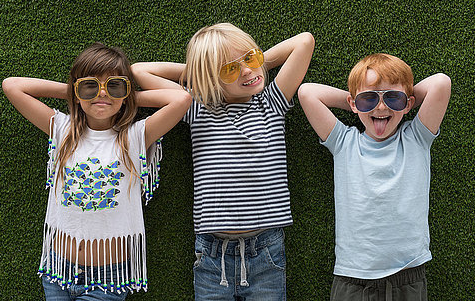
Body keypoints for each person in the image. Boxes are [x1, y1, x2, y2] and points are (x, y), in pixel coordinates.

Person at [131, 23, 314, 301]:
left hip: (266, 248)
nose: (247, 71)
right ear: (210, 79)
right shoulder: (196, 107)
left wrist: (253, 61)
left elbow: (304, 41)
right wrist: (203, 73)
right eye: (230, 69)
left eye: (250, 59)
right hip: (211, 253)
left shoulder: (272, 102)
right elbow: (139, 71)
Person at [2, 43, 192, 300]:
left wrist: (125, 97)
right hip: (59, 271)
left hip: (109, 278)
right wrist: (76, 94)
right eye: (90, 85)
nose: (102, 94)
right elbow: (12, 85)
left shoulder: (135, 136)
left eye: (114, 85)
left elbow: (181, 99)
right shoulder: (62, 129)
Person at [297, 53, 451, 301]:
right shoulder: (343, 142)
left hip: (407, 274)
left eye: (393, 98)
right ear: (354, 103)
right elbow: (307, 93)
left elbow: (441, 83)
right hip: (353, 278)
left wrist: (399, 100)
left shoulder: (416, 139)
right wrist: (359, 103)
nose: (381, 107)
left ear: (408, 103)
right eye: (369, 99)